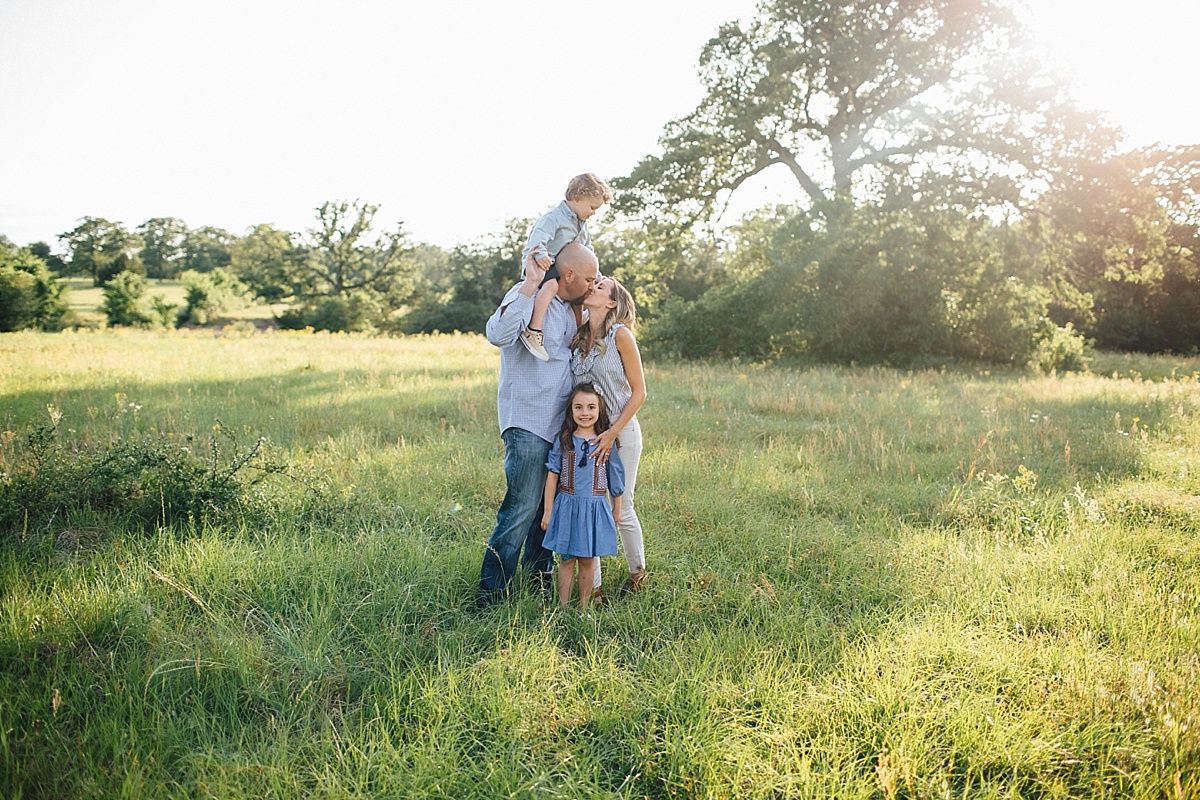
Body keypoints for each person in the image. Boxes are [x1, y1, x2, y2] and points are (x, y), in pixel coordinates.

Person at [476, 243, 600, 607]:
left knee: (549, 512)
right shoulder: (527, 293)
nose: (593, 284)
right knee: (521, 509)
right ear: (570, 275)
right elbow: (497, 335)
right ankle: (491, 595)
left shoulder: (567, 308)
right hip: (528, 422)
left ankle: (537, 582)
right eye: (589, 278)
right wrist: (531, 284)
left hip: (561, 430)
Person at [571, 276, 649, 595]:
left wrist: (613, 432)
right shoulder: (578, 336)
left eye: (601, 287)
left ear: (612, 303)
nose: (594, 287)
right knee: (592, 505)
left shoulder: (621, 335)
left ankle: (638, 574)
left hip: (622, 433)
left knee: (623, 504)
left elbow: (640, 392)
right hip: (589, 437)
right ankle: (597, 589)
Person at [540, 382, 625, 610]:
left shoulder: (605, 441)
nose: (585, 413)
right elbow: (552, 475)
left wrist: (616, 508)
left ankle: (584, 608)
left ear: (599, 410)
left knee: (588, 561)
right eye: (578, 407)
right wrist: (548, 511)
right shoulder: (565, 440)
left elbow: (615, 476)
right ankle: (564, 607)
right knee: (566, 559)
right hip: (567, 507)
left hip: (594, 508)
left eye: (590, 407)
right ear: (571, 410)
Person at [518, 173, 614, 362]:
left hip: (563, 269)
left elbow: (588, 251)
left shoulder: (582, 225)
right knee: (552, 285)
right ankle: (534, 330)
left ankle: (577, 335)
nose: (593, 212)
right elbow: (538, 236)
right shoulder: (555, 218)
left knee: (579, 296)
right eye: (592, 207)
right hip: (542, 264)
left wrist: (597, 276)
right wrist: (541, 255)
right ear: (576, 198)